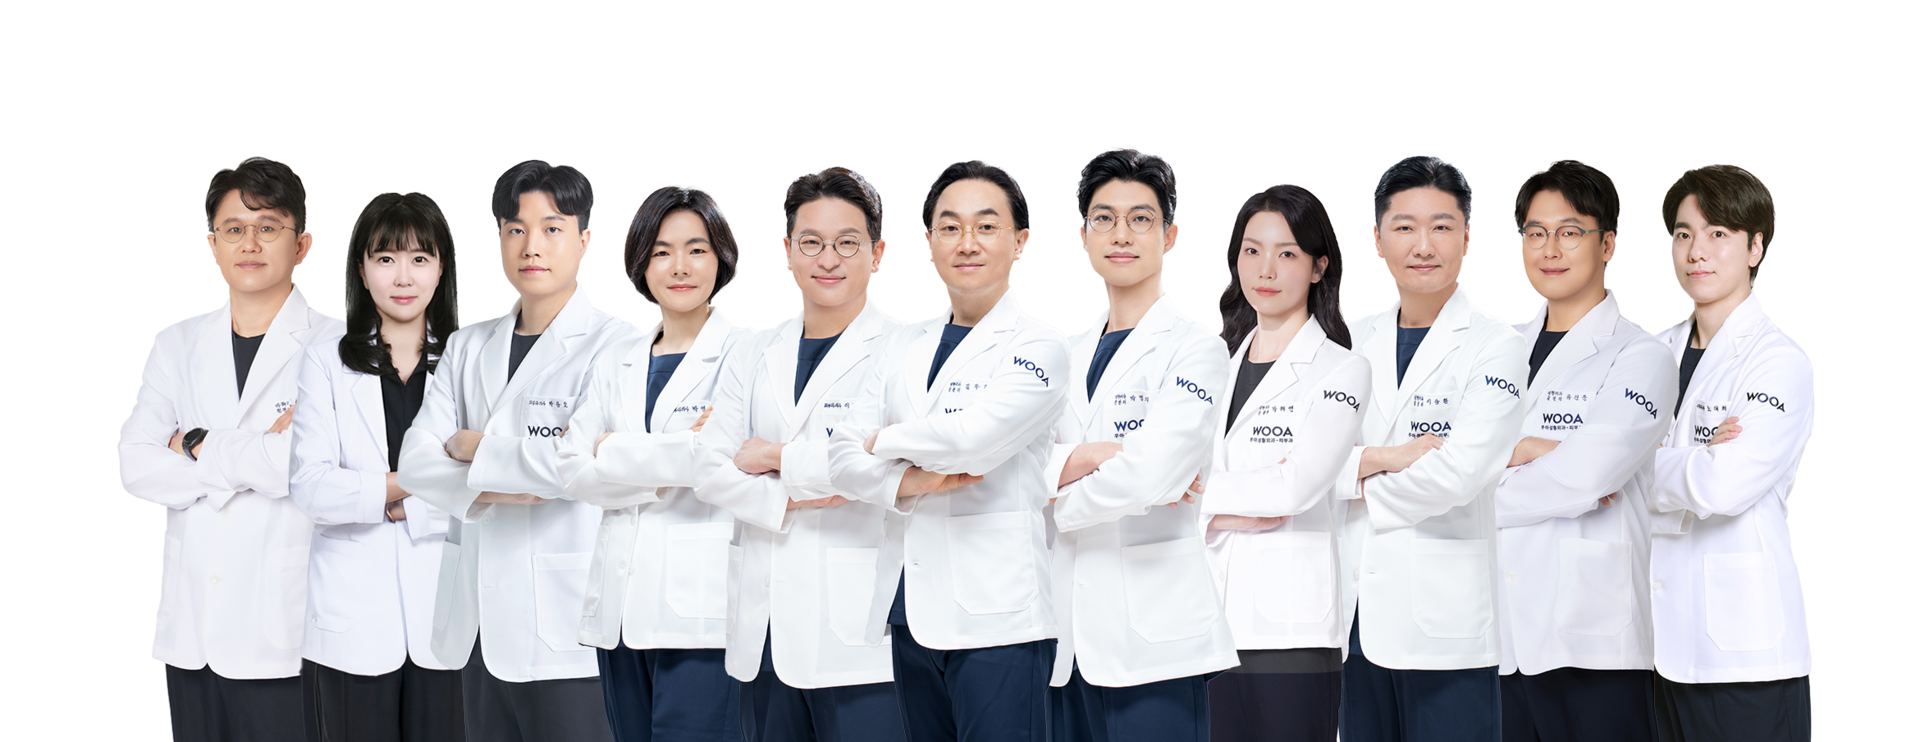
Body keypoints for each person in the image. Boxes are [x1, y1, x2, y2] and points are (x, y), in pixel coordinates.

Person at [826, 156, 1069, 742]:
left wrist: (882, 440)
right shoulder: (902, 344)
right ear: (929, 242)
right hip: (909, 610)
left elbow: (972, 443)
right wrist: (903, 480)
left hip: (997, 620)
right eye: (950, 227)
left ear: (1020, 241)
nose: (967, 242)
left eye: (986, 226)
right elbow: (839, 457)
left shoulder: (1041, 345)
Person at [399, 158, 640, 742]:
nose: (532, 246)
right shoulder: (468, 343)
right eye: (515, 229)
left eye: (552, 228)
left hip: (566, 628)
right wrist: (506, 483)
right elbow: (415, 463)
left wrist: (473, 447)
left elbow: (579, 468)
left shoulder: (618, 345)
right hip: (477, 627)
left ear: (585, 238)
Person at [117, 154, 343, 741]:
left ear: (302, 244)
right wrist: (255, 457)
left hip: (287, 630)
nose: (250, 243)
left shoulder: (339, 346)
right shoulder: (175, 342)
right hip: (191, 628)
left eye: (269, 227)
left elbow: (301, 466)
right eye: (234, 228)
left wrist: (191, 444)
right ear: (211, 243)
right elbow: (134, 464)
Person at [693, 163, 911, 742]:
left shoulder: (906, 350)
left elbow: (886, 469)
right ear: (787, 251)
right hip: (760, 629)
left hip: (857, 637)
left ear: (878, 253)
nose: (828, 259)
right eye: (811, 243)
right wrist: (802, 491)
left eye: (848, 243)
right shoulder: (751, 350)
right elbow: (708, 469)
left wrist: (769, 456)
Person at [1041, 143, 1237, 742]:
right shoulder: (1061, 354)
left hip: (1156, 641)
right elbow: (1017, 464)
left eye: (1141, 218)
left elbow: (1152, 473)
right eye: (1104, 218)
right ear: (1083, 235)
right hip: (1065, 642)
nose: (1121, 234)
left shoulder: (1196, 348)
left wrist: (1048, 493)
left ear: (1170, 235)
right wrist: (1083, 463)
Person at [1336, 152, 1527, 742]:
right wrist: (1380, 460)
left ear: (1468, 236)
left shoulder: (1496, 344)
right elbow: (1297, 458)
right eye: (1405, 227)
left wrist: (1348, 484)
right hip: (1349, 616)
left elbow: (1461, 472)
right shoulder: (1347, 341)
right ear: (1377, 239)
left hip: (1445, 625)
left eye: (1441, 226)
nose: (1423, 246)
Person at [553, 180, 752, 742]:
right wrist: (672, 461)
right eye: (662, 251)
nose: (679, 267)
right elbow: (570, 468)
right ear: (641, 263)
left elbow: (715, 458)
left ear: (721, 258)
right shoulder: (616, 360)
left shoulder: (748, 355)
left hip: (702, 615)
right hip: (617, 613)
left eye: (696, 249)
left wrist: (612, 450)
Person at [1493, 159, 1676, 742]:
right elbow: (1439, 462)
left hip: (1595, 640)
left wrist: (1477, 481)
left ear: (1608, 245)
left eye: (1570, 232)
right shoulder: (1493, 350)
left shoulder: (1641, 355)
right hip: (1499, 637)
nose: (1550, 249)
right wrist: (1537, 453)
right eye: (1536, 232)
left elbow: (1587, 475)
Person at [289, 190, 467, 741]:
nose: (403, 277)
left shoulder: (471, 359)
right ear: (362, 272)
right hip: (352, 619)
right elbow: (311, 487)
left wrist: (389, 504)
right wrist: (421, 484)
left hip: (449, 609)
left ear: (442, 269)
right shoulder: (325, 360)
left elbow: (484, 489)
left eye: (420, 258)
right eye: (385, 258)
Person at [1646, 162, 1813, 742]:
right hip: (1656, 648)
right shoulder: (1650, 353)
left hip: (1745, 655)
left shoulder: (1778, 360)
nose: (1697, 251)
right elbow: (1592, 471)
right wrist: (1689, 460)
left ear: (1755, 247)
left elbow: (1723, 485)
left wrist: (1637, 462)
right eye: (1683, 234)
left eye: (1718, 233)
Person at [1200, 182, 1369, 742]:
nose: (1265, 270)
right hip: (1206, 622)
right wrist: (1221, 505)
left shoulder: (1341, 369)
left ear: (1319, 266)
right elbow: (1162, 479)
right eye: (1252, 250)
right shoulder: (1213, 364)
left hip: (1291, 632)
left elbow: (1293, 488)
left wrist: (1199, 499)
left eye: (1287, 253)